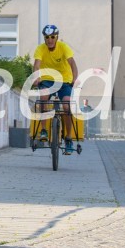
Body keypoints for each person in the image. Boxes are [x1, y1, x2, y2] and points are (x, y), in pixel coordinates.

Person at [32, 24, 79, 153]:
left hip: (64, 81)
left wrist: (75, 78)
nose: (50, 40)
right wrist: (36, 78)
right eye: (47, 37)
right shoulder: (40, 49)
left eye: (52, 37)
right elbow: (36, 65)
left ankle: (68, 138)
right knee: (43, 98)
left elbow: (73, 64)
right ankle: (44, 131)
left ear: (57, 37)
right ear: (44, 38)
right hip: (47, 80)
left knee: (66, 106)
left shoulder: (64, 47)